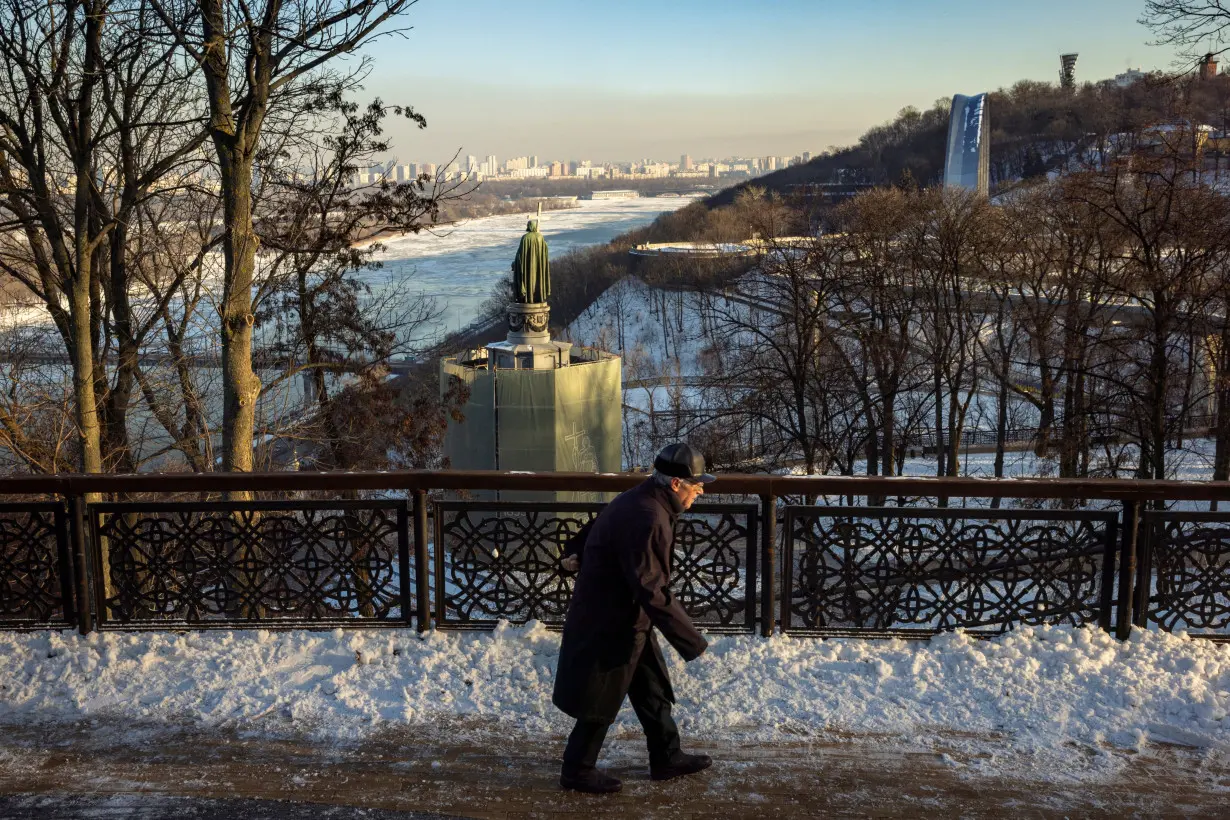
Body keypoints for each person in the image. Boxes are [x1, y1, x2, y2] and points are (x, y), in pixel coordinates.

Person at [552, 442, 716, 794]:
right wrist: (691, 639)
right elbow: (651, 587)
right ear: (675, 484)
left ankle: (666, 756)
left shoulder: (643, 498)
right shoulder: (650, 516)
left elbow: (604, 524)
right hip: (611, 619)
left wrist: (576, 552)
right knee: (601, 693)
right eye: (696, 484)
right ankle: (577, 769)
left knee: (650, 687)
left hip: (627, 614)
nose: (700, 490)